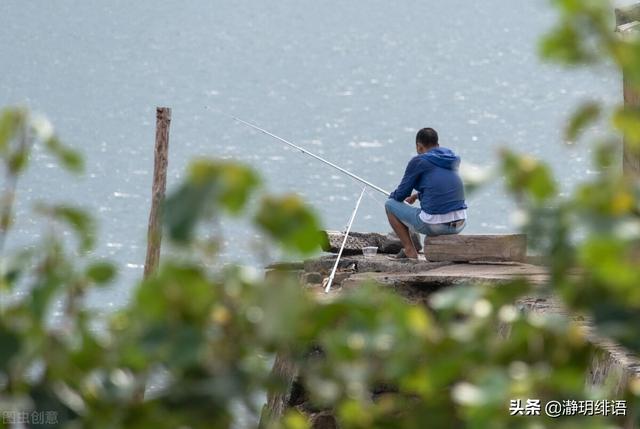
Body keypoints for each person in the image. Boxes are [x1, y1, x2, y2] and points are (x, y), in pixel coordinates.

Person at [385, 127, 467, 259]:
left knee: (389, 205)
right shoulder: (451, 159)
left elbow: (400, 194)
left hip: (437, 226)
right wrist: (417, 196)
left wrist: (393, 197)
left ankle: (409, 250)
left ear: (419, 146)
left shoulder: (419, 161)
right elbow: (441, 188)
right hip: (460, 223)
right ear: (438, 145)